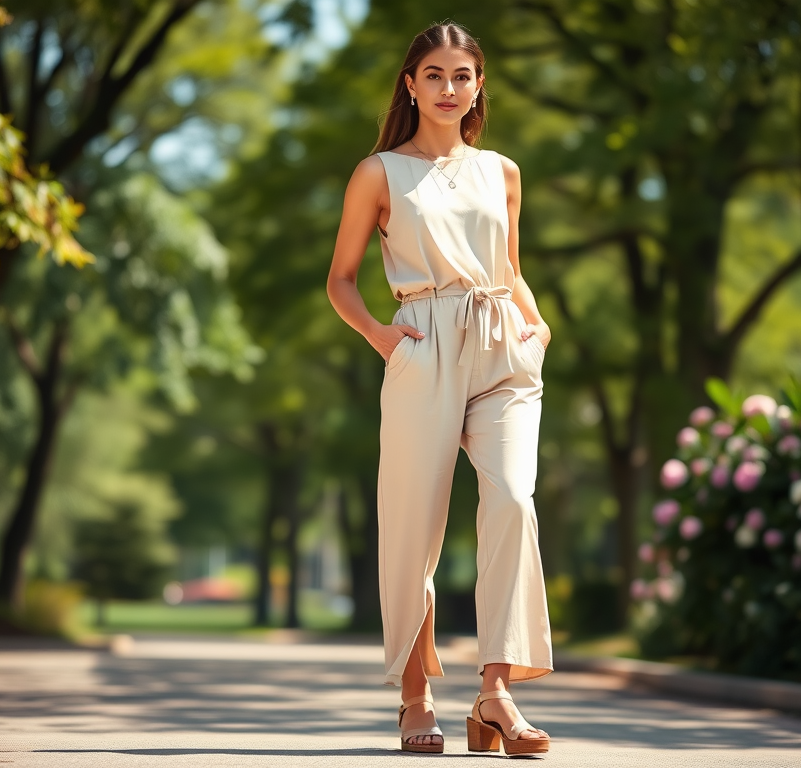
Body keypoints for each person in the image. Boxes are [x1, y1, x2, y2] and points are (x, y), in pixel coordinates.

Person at [326, 21, 553, 757]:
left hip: (502, 350)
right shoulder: (379, 172)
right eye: (435, 75)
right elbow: (340, 281)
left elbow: (510, 267)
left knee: (514, 501)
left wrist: (537, 327)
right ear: (410, 84)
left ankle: (495, 693)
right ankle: (416, 695)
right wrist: (383, 338)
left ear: (479, 84)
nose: (449, 89)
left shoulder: (503, 172)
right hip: (422, 348)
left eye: (463, 75)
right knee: (414, 531)